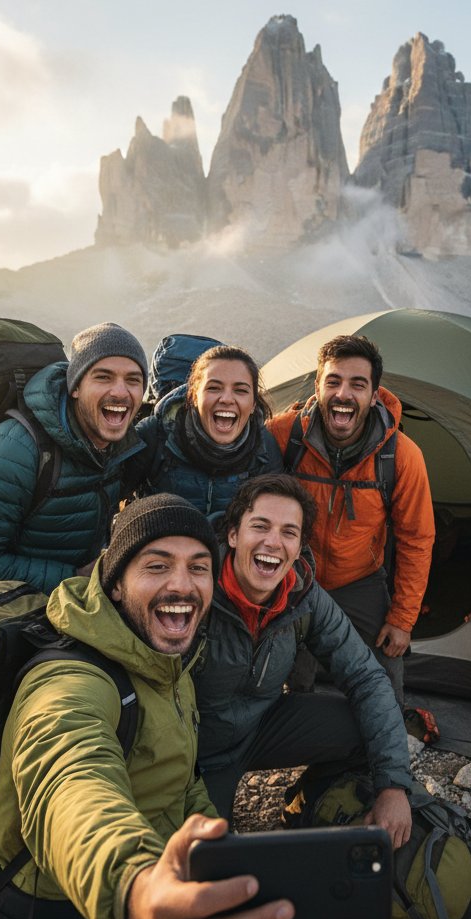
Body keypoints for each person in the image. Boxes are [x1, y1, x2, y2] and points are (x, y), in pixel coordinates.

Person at [0, 494, 312, 919]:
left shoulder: (166, 663)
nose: (182, 584)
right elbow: (68, 785)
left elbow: (182, 784)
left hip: (152, 910)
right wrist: (139, 888)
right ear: (116, 584)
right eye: (157, 566)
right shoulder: (68, 680)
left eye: (198, 568)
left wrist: (227, 860)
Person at [196, 473, 413, 847]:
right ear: (233, 535)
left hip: (261, 726)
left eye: (289, 533)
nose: (273, 543)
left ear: (299, 547)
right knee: (207, 864)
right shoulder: (195, 588)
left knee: (364, 725)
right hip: (199, 749)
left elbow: (366, 677)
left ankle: (314, 804)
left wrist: (393, 785)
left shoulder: (303, 596)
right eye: (260, 527)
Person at [267, 334, 436, 706]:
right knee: (294, 672)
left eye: (357, 384)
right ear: (318, 386)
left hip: (360, 580)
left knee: (385, 672)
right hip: (296, 577)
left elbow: (417, 538)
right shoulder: (285, 436)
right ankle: (301, 734)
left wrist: (403, 618)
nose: (343, 394)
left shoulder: (401, 456)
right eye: (334, 381)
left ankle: (383, 748)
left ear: (374, 394)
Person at [0, 322, 149, 594]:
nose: (121, 392)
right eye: (103, 377)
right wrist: (74, 577)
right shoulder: (11, 452)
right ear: (75, 387)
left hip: (66, 598)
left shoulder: (118, 444)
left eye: (133, 380)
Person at [133, 345, 282, 522]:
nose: (226, 399)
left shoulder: (264, 447)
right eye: (214, 388)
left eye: (240, 390)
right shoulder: (155, 435)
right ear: (194, 396)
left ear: (253, 405)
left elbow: (273, 520)